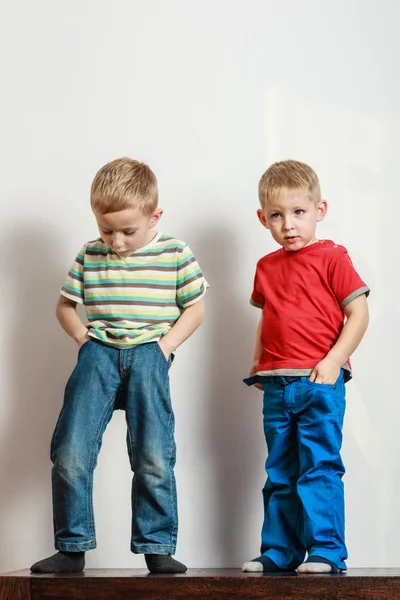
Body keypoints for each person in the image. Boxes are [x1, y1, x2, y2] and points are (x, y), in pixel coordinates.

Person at [31, 157, 208, 574]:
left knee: (153, 454)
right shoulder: (91, 255)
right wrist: (83, 339)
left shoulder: (175, 252)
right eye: (106, 229)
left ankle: (157, 546)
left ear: (154, 216)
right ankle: (72, 547)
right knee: (71, 450)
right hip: (98, 354)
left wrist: (164, 348)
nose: (117, 241)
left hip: (149, 353)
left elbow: (196, 309)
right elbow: (65, 305)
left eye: (128, 231)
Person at [242, 160, 369, 574]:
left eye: (298, 212)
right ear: (263, 219)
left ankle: (327, 552)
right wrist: (259, 364)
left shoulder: (333, 257)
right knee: (279, 471)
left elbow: (359, 313)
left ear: (320, 209)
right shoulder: (266, 267)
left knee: (319, 468)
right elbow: (269, 316)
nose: (288, 224)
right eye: (277, 215)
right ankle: (279, 552)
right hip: (277, 384)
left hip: (320, 381)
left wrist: (334, 362)